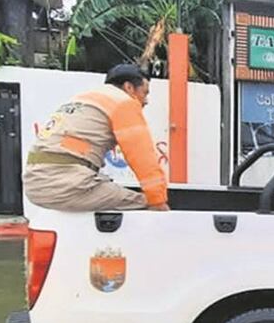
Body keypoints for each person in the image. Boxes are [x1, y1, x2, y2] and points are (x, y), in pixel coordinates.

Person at [23, 64, 169, 212]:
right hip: (67, 185)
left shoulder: (83, 98)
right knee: (144, 204)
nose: (146, 101)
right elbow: (142, 157)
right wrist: (157, 202)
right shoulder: (123, 102)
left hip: (34, 184)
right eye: (145, 93)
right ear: (129, 87)